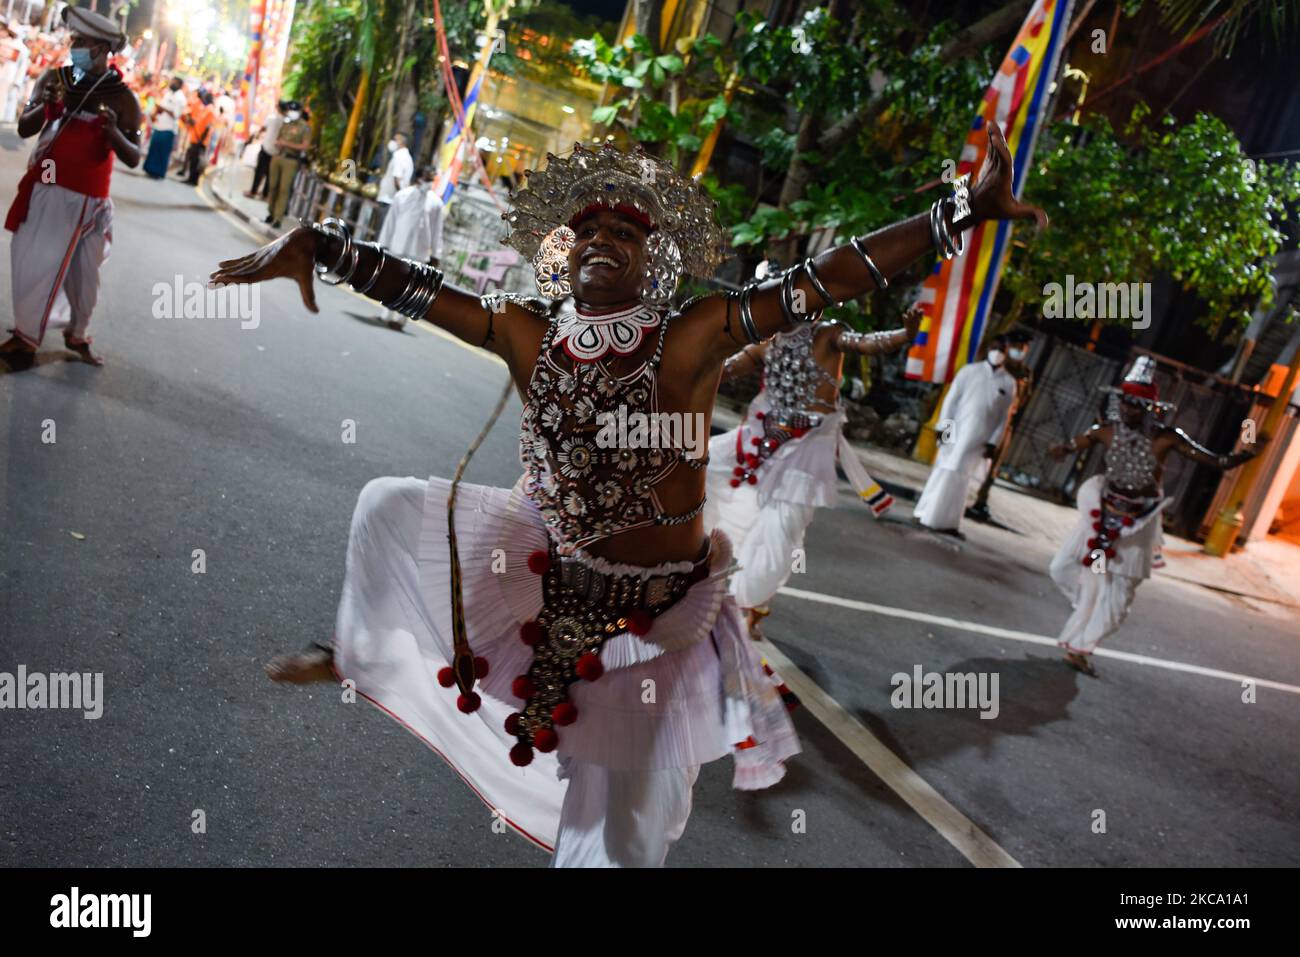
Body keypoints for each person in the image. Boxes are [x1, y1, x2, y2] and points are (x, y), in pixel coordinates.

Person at [210, 126, 1043, 866]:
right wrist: (320, 244)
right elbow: (418, 287)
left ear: (656, 260)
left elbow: (827, 278)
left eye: (624, 231)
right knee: (386, 504)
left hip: (656, 628)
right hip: (549, 580)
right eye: (588, 231)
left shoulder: (694, 333)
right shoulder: (526, 330)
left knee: (621, 837)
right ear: (563, 255)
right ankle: (356, 652)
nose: (602, 239)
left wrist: (957, 214)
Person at [706, 303, 920, 636]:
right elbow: (727, 369)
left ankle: (747, 603)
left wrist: (905, 335)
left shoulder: (829, 335)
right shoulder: (768, 340)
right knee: (704, 472)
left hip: (807, 449)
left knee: (780, 532)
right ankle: (702, 571)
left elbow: (868, 342)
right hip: (760, 438)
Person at [1046, 357, 1260, 677]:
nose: (1130, 409)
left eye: (1137, 404)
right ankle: (1086, 604)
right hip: (1102, 512)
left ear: (1150, 407)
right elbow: (1069, 447)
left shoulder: (1167, 438)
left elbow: (1218, 462)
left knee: (1119, 597)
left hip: (1140, 521)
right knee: (1061, 566)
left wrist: (1246, 451)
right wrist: (1060, 450)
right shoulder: (1104, 431)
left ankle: (1082, 646)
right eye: (1125, 402)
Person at [0, 5, 141, 369]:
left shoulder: (123, 98)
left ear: (103, 50)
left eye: (84, 42)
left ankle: (76, 335)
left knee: (86, 279)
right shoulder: (53, 79)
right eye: (74, 39)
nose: (75, 46)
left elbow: (134, 155)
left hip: (93, 198)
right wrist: (48, 108)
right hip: (49, 182)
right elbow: (25, 128)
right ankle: (25, 338)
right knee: (34, 263)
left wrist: (111, 133)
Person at [913, 333, 1018, 539]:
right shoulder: (969, 372)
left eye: (1002, 350)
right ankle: (928, 514)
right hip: (955, 432)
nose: (997, 353)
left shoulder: (1008, 382)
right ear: (988, 348)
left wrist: (992, 442)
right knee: (944, 471)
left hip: (980, 439)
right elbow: (950, 402)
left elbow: (1003, 418)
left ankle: (948, 521)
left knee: (962, 478)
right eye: (995, 347)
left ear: (1006, 354)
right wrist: (945, 430)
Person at [966, 330, 1034, 523]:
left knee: (993, 466)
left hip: (1005, 424)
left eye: (1023, 348)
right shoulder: (998, 366)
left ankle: (980, 501)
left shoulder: (1026, 373)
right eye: (1016, 346)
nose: (1019, 350)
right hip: (985, 419)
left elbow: (1025, 399)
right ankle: (961, 493)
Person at [374, 166, 444, 331]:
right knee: (393, 282)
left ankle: (399, 320)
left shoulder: (436, 203)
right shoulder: (402, 195)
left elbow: (437, 231)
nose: (429, 182)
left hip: (419, 251)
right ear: (419, 178)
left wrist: (436, 253)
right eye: (427, 178)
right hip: (398, 246)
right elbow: (390, 222)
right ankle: (385, 314)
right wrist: (384, 244)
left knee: (412, 286)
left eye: (431, 179)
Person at [265, 101, 308, 229]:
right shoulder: (285, 123)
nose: (292, 112)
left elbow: (305, 146)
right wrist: (278, 144)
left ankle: (278, 218)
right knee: (272, 186)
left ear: (300, 111)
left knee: (284, 189)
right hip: (278, 156)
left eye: (294, 110)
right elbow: (279, 138)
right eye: (290, 109)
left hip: (291, 160)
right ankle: (271, 213)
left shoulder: (305, 127)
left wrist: (287, 145)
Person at [143, 76, 185, 179]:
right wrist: (156, 112)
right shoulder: (168, 93)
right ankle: (150, 169)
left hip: (169, 128)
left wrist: (164, 109)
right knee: (154, 148)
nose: (172, 84)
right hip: (159, 125)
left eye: (174, 82)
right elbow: (161, 107)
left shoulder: (181, 98)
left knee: (162, 151)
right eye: (172, 81)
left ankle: (158, 172)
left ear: (179, 85)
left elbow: (176, 115)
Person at [243, 100, 284, 200]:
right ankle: (265, 194)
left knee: (259, 171)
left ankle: (253, 191)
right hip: (276, 151)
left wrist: (256, 135)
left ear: (277, 107)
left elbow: (263, 128)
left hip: (266, 148)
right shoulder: (285, 122)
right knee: (270, 173)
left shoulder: (271, 117)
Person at [376, 131, 412, 204]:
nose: (392, 142)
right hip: (390, 199)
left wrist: (398, 195)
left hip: (388, 199)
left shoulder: (400, 156)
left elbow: (397, 178)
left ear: (401, 142)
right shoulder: (405, 156)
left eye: (395, 140)